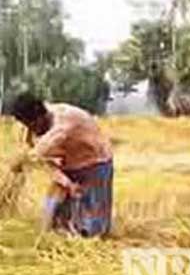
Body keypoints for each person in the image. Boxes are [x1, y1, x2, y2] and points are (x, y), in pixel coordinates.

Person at [9, 93, 114, 238]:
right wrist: (68, 183)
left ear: (41, 117)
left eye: (33, 125)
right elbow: (47, 163)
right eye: (27, 125)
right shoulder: (31, 132)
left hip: (96, 162)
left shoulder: (65, 120)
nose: (32, 130)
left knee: (93, 226)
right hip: (68, 164)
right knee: (52, 213)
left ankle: (89, 238)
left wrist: (25, 159)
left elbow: (44, 146)